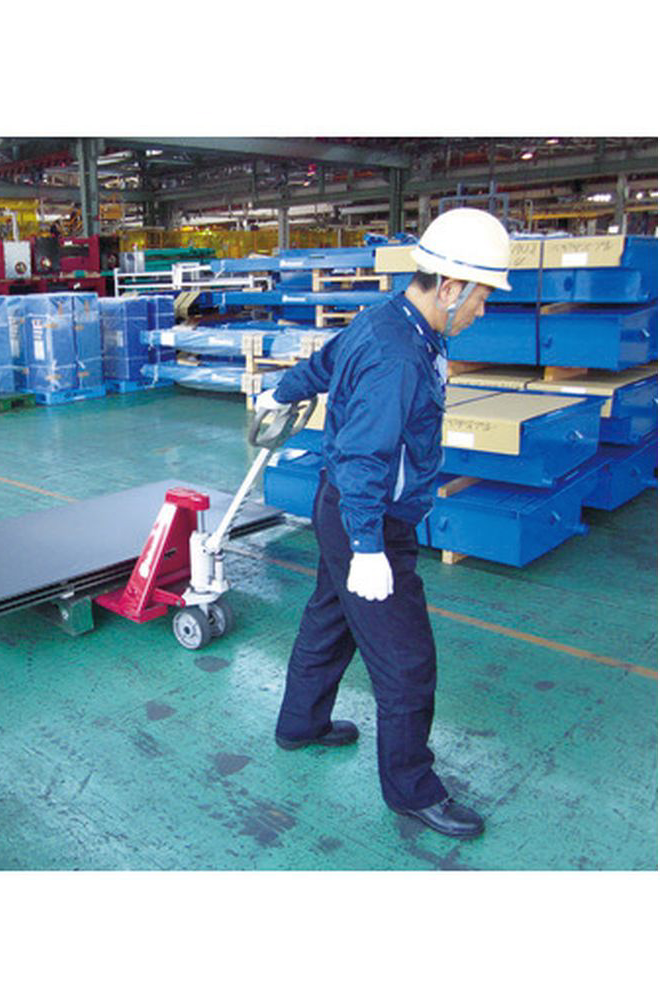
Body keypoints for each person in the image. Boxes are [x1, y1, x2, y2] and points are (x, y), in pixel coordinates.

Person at [256, 207, 511, 839]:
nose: (482, 311)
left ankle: (300, 724)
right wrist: (369, 547)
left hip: (341, 508)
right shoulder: (399, 354)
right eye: (481, 297)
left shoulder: (388, 320)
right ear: (450, 287)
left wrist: (282, 390)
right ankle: (412, 790)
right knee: (406, 662)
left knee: (329, 620)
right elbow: (364, 457)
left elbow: (327, 362)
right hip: (367, 520)